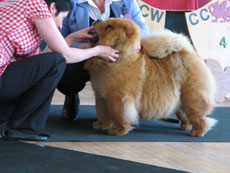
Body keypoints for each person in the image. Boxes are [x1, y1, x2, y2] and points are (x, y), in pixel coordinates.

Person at [0, 0, 119, 141]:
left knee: (52, 62)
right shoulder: (35, 4)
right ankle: (24, 128)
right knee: (57, 62)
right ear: (52, 7)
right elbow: (64, 56)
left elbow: (37, 64)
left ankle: (9, 121)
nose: (61, 25)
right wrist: (98, 50)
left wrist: (71, 38)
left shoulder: (14, 6)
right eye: (62, 17)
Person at [57, 0, 150, 121]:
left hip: (117, 60)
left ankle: (123, 108)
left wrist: (135, 39)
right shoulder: (71, 3)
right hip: (84, 58)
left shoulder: (127, 2)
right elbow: (57, 42)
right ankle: (71, 94)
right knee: (65, 71)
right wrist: (91, 48)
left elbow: (144, 32)